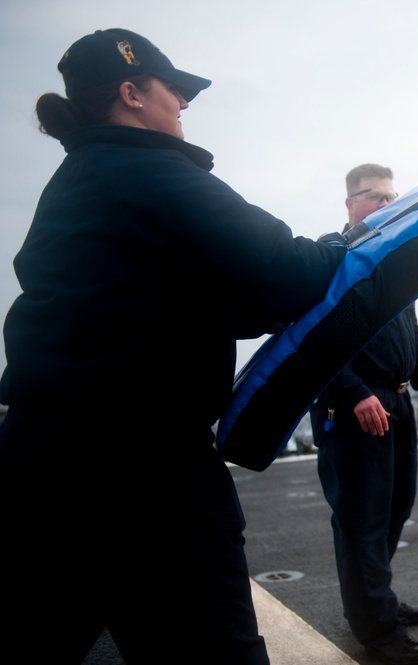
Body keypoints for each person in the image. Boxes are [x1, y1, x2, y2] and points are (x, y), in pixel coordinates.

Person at [0, 28, 352, 663]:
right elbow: (292, 271)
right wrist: (349, 246)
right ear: (133, 93)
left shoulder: (75, 182)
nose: (185, 104)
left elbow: (192, 300)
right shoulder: (151, 169)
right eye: (175, 89)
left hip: (37, 466)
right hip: (145, 477)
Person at [314, 163, 418, 665]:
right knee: (361, 519)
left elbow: (410, 333)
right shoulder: (331, 256)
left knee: (397, 507)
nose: (385, 205)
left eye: (392, 197)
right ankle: (377, 627)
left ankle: (375, 598)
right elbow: (310, 332)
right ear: (350, 204)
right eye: (374, 196)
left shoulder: (397, 259)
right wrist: (352, 391)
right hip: (353, 407)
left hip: (394, 402)